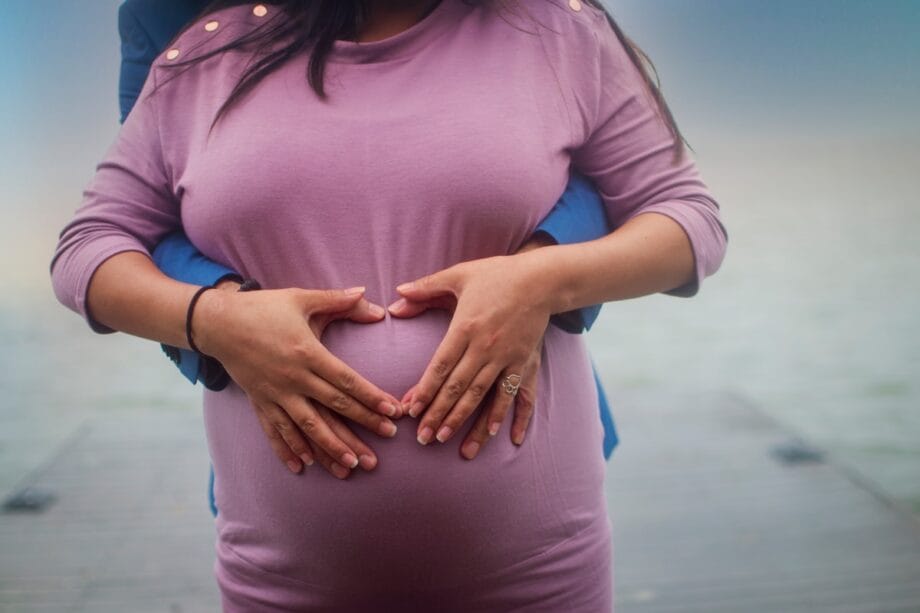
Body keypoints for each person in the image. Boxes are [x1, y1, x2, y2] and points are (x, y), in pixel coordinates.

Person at [51, 0, 728, 609]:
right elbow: (91, 245)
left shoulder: (556, 29)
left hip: (540, 566)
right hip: (280, 577)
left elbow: (686, 217)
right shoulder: (202, 51)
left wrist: (544, 280)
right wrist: (213, 320)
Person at [118, 0, 618, 512]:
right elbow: (145, 220)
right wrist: (223, 312)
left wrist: (535, 274)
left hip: (530, 437)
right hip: (277, 480)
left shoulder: (544, 21)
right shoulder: (167, 16)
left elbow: (599, 174)